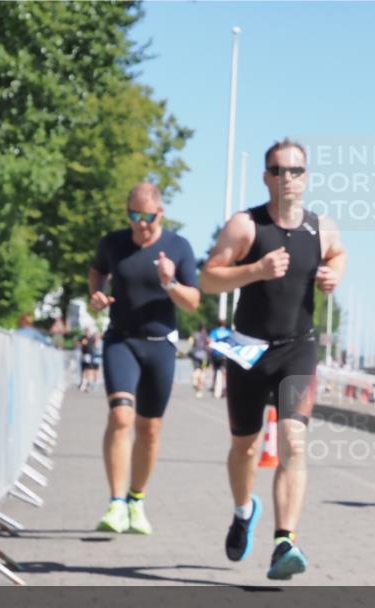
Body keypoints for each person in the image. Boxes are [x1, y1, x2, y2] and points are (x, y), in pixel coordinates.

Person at [201, 138, 347, 580]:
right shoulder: (245, 226)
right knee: (244, 446)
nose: (288, 178)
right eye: (279, 170)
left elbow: (338, 255)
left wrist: (332, 276)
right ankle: (244, 510)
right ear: (266, 176)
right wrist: (255, 271)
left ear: (306, 177)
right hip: (247, 349)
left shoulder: (322, 228)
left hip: (297, 349)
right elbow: (208, 279)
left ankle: (285, 540)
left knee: (293, 442)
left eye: (296, 170)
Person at [90, 182, 200, 534]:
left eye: (147, 217)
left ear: (160, 213)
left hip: (160, 345)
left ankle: (137, 499)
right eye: (134, 216)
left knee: (149, 430)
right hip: (121, 340)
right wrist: (96, 293)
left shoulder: (178, 247)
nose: (141, 224)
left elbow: (193, 302)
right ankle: (116, 504)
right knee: (121, 416)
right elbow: (98, 272)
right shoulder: (113, 244)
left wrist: (169, 283)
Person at [189, 323, 211, 398]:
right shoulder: (206, 336)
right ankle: (199, 390)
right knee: (202, 371)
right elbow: (209, 346)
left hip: (195, 355)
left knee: (196, 369)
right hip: (204, 356)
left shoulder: (194, 335)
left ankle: (195, 382)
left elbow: (191, 343)